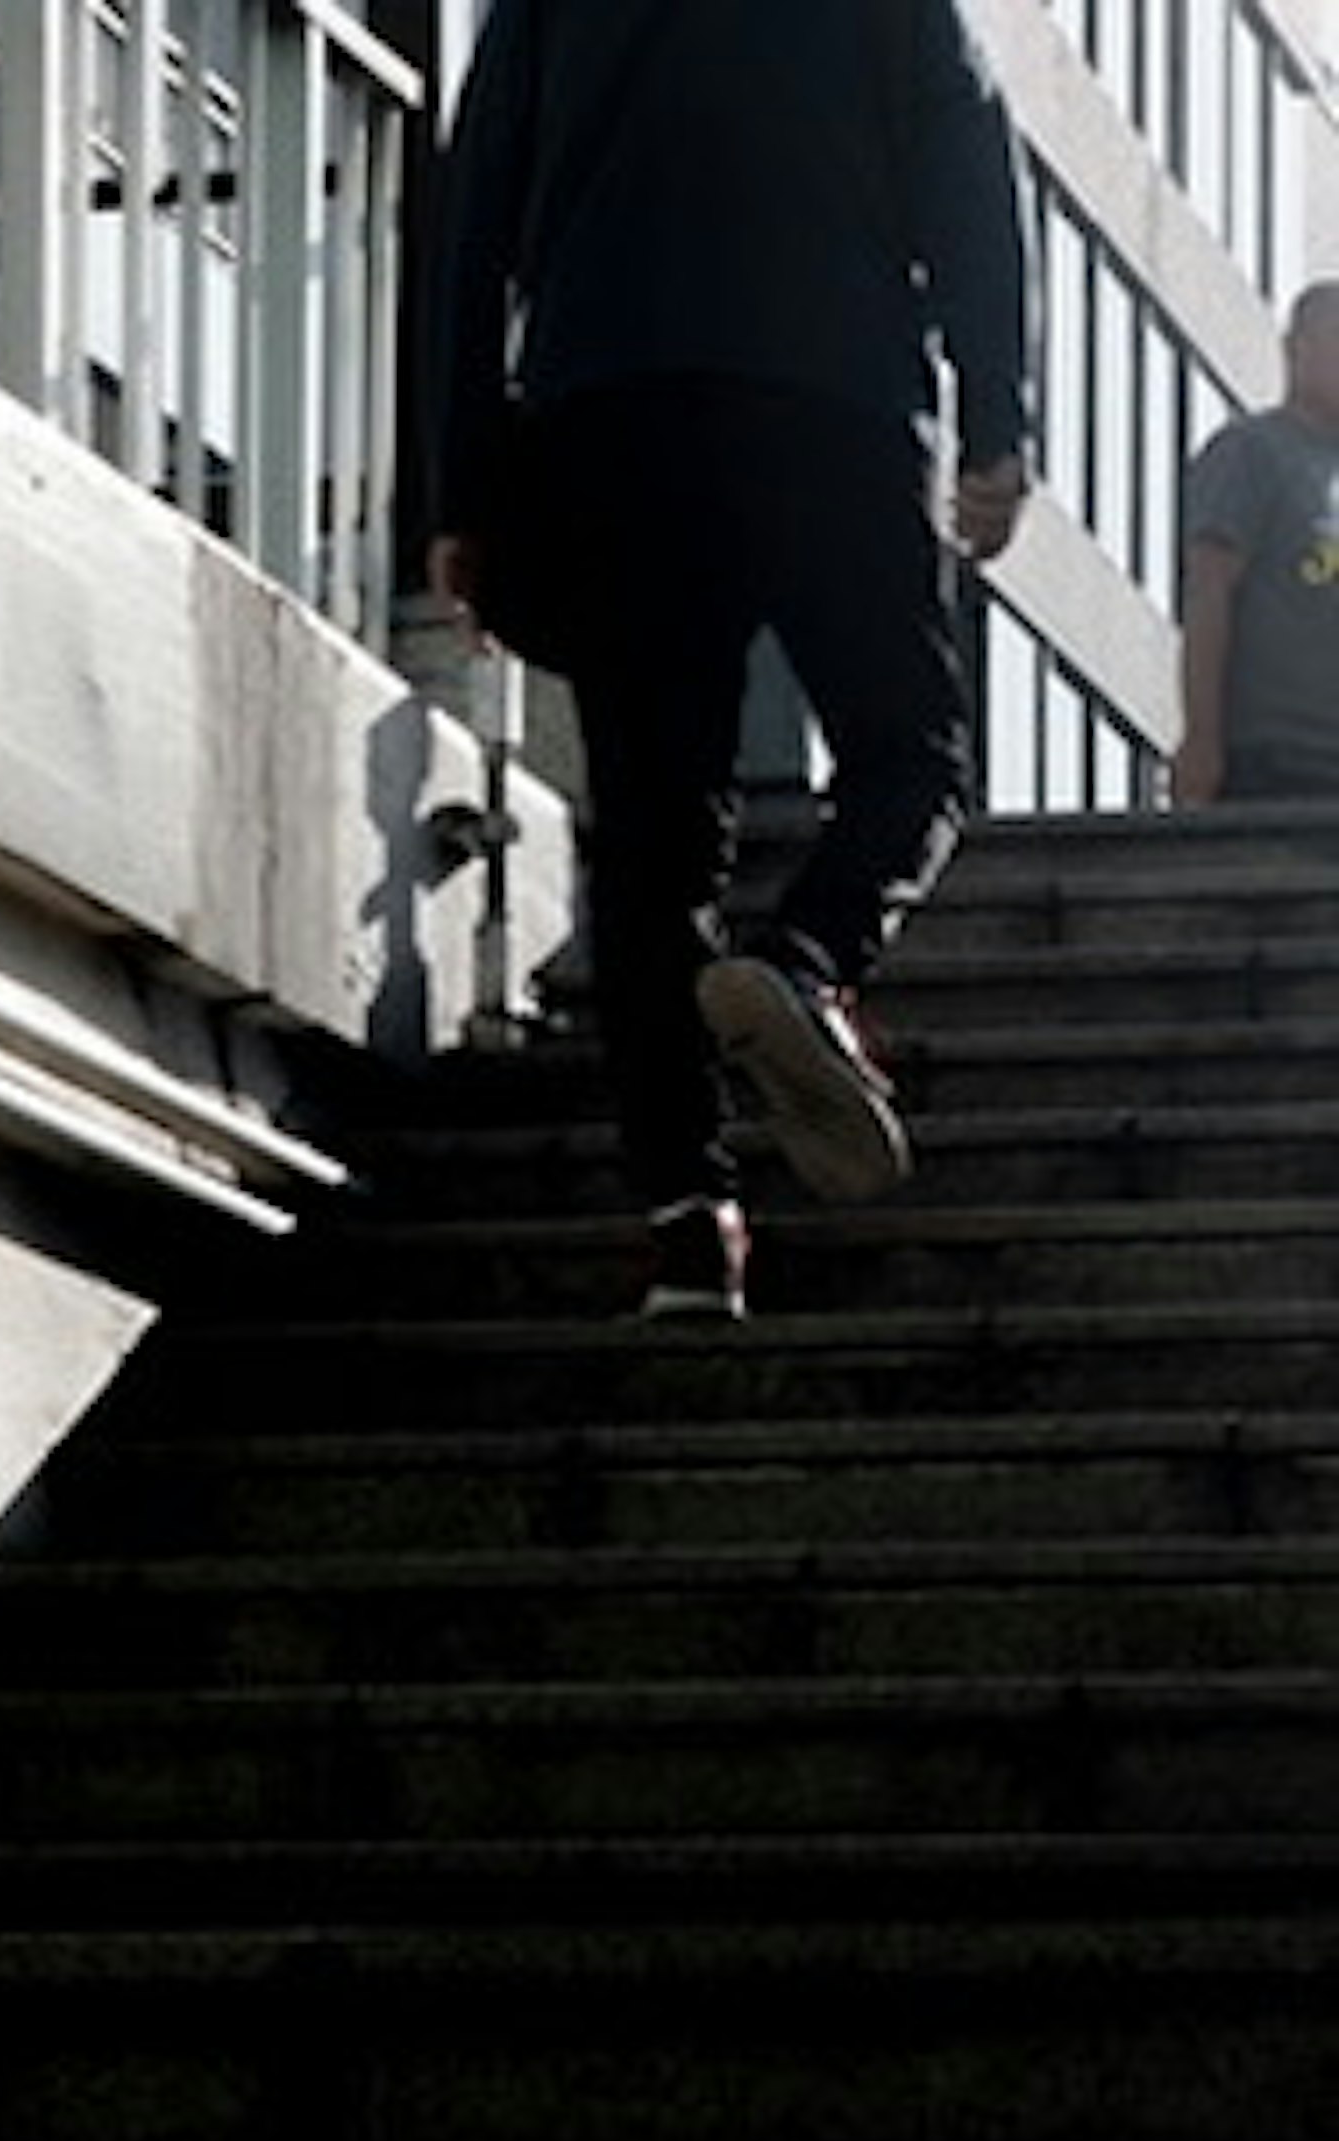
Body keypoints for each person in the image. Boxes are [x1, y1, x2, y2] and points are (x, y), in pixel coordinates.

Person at [427, 0, 1037, 1321]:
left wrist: (464, 492)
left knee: (657, 833)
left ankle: (690, 1226)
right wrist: (999, 415)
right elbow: (973, 173)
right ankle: (812, 963)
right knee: (910, 755)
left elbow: (469, 225)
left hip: (613, 413)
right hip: (838, 399)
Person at [1174, 282, 1339, 809]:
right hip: (1275, 763)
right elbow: (1208, 593)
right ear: (1297, 350)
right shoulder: (1252, 453)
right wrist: (1202, 742)